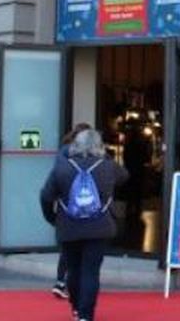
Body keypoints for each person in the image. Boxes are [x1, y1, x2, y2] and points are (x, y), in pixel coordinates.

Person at [39, 128, 127, 321]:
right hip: (99, 227)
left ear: (75, 145)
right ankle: (86, 315)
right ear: (100, 145)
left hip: (68, 226)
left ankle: (77, 308)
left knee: (73, 269)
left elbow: (46, 196)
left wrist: (52, 218)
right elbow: (124, 176)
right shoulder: (107, 166)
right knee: (91, 271)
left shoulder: (62, 167)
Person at [51, 122, 92, 300]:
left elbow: (56, 174)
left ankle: (61, 281)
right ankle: (72, 282)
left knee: (68, 245)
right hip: (82, 202)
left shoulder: (63, 150)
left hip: (65, 202)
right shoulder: (84, 153)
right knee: (81, 244)